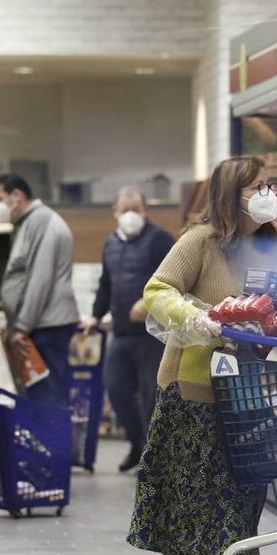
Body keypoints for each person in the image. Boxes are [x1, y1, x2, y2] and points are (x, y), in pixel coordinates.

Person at [128, 156, 277, 555]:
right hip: (194, 381)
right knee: (188, 478)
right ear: (231, 197)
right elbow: (157, 290)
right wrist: (195, 317)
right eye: (258, 187)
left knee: (246, 480)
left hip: (254, 382)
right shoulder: (200, 241)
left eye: (270, 185)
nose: (268, 194)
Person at [82, 186, 175, 472]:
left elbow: (173, 280)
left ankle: (153, 458)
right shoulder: (111, 243)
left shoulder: (160, 240)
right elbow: (106, 284)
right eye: (125, 210)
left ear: (146, 211)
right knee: (116, 387)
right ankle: (137, 444)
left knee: (152, 396)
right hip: (121, 332)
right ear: (115, 213)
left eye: (136, 209)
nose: (131, 215)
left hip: (152, 334)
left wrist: (148, 302)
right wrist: (95, 317)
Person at [0, 173, 79, 407]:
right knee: (39, 396)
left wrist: (21, 326)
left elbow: (40, 278)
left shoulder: (41, 221)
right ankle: (48, 442)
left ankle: (54, 444)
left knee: (47, 397)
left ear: (17, 195)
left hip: (47, 326)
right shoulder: (28, 223)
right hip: (40, 325)